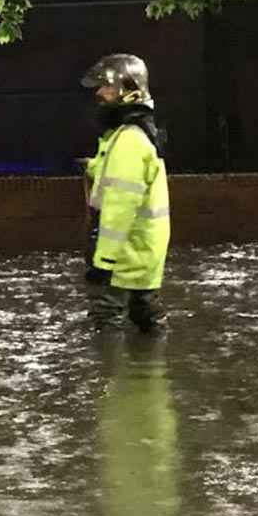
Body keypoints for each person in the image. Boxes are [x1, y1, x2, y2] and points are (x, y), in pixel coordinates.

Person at [80, 53, 170, 333]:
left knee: (106, 329)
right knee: (149, 324)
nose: (99, 93)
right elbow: (123, 183)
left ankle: (112, 375)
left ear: (127, 92)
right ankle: (153, 370)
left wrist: (103, 262)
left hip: (121, 261)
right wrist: (95, 167)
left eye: (106, 86)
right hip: (142, 256)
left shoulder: (128, 141)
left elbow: (119, 209)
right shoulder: (134, 135)